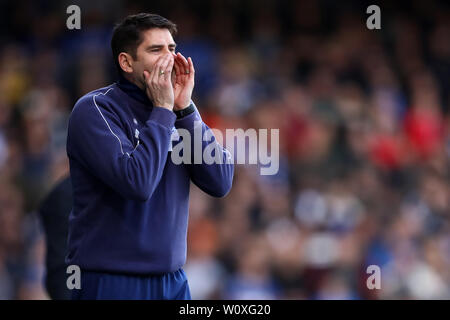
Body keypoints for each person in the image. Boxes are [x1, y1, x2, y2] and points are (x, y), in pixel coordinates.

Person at [66, 13, 234, 300]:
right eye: (156, 50)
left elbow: (220, 183)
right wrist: (163, 110)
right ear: (126, 62)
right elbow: (137, 183)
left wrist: (186, 110)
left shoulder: (176, 112)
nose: (169, 58)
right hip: (110, 280)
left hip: (172, 281)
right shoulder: (95, 110)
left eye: (172, 48)